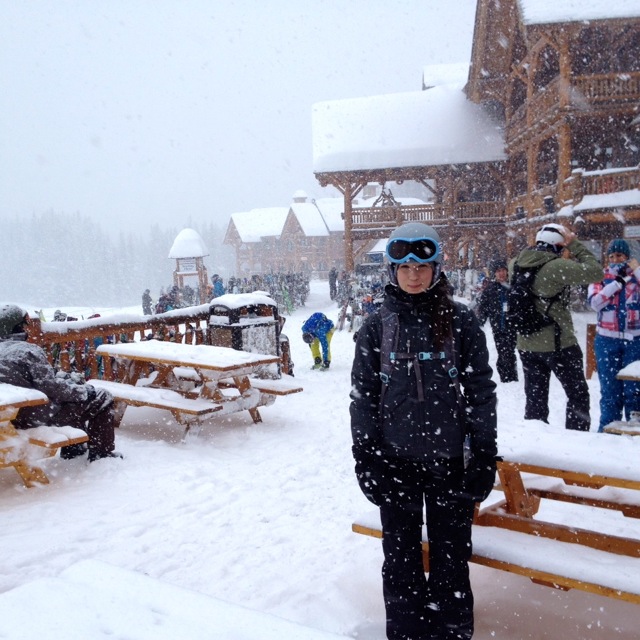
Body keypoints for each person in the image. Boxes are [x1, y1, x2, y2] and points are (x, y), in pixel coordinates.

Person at [350, 222, 497, 640]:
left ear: (437, 268)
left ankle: (451, 633)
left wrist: (484, 455)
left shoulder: (461, 322)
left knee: (451, 562)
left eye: (423, 265)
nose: (414, 275)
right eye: (405, 266)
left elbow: (481, 394)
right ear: (392, 270)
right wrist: (366, 457)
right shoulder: (377, 327)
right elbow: (363, 398)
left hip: (452, 464)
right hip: (395, 464)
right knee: (400, 562)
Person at [0, 304, 121, 462]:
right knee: (101, 397)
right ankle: (102, 454)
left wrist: (67, 383)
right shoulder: (27, 352)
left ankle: (74, 449)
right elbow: (52, 388)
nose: (28, 329)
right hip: (32, 417)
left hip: (9, 418)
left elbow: (37, 382)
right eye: (25, 325)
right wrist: (85, 391)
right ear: (19, 327)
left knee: (71, 399)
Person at [511, 223, 602, 431]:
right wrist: (575, 245)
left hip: (527, 343)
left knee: (535, 401)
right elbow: (596, 272)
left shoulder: (515, 263)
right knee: (577, 396)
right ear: (559, 246)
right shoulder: (556, 266)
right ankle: (575, 443)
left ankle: (537, 447)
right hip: (559, 344)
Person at [588, 239, 640, 432]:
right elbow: (595, 302)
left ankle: (635, 431)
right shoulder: (600, 277)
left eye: (620, 255)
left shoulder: (636, 277)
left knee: (634, 389)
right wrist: (616, 284)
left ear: (627, 257)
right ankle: (608, 429)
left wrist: (636, 270)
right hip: (607, 341)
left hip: (635, 341)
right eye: (612, 256)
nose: (615, 259)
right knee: (610, 389)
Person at [475, 258, 518, 382]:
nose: (501, 273)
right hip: (498, 327)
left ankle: (511, 377)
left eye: (503, 270)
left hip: (512, 326)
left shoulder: (513, 287)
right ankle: (507, 378)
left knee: (510, 352)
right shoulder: (490, 290)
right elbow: (483, 309)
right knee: (504, 352)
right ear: (494, 273)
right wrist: (479, 324)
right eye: (498, 271)